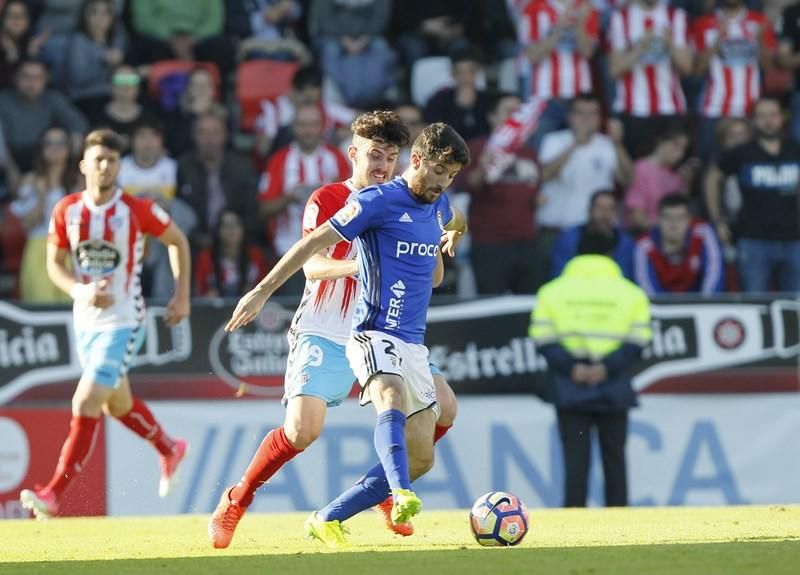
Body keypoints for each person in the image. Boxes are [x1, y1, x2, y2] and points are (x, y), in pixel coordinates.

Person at [208, 111, 460, 548]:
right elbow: (313, 265)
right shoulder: (328, 199)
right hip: (326, 328)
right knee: (301, 431)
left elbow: (444, 242)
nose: (382, 165)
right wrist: (364, 266)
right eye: (374, 155)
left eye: (391, 157)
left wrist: (446, 239)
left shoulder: (418, 202)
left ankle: (381, 489)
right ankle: (237, 498)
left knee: (448, 409)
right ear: (353, 154)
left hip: (386, 331)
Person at [18, 129, 192, 519]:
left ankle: (53, 494)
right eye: (97, 159)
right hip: (86, 320)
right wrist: (80, 292)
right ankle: (169, 448)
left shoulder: (135, 209)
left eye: (111, 160)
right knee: (118, 404)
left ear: (119, 166)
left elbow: (177, 240)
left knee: (86, 399)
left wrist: (181, 295)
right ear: (83, 164)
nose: (104, 166)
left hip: (125, 320)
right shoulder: (66, 210)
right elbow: (54, 265)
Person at [530, 229, 652, 508]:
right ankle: (620, 519)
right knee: (615, 460)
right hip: (614, 384)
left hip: (569, 384)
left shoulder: (552, 292)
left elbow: (543, 339)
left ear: (577, 252)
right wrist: (606, 369)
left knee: (575, 462)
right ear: (611, 254)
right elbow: (638, 341)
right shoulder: (631, 294)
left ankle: (574, 519)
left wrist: (573, 368)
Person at [704, 96, 800, 293]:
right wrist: (717, 219)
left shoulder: (795, 150)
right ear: (754, 121)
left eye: (773, 115)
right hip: (754, 240)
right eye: (762, 116)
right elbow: (712, 177)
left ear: (782, 118)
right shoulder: (743, 152)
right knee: (756, 303)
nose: (768, 121)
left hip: (794, 239)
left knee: (796, 305)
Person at [457, 92, 541, 294]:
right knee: (490, 307)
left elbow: (534, 191)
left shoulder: (530, 153)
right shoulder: (477, 148)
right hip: (490, 243)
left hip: (527, 242)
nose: (514, 118)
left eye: (518, 113)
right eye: (508, 112)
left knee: (526, 308)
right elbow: (465, 185)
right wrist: (482, 167)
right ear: (492, 117)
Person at [693, 0, 775, 162]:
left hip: (751, 110)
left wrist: (759, 39)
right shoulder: (704, 22)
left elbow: (769, 66)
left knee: (749, 167)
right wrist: (717, 40)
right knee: (711, 165)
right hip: (714, 109)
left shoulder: (759, 21)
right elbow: (697, 70)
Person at [608, 0, 692, 159]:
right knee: (636, 176)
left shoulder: (676, 16)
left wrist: (670, 43)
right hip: (633, 110)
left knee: (672, 177)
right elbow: (614, 70)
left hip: (670, 108)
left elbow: (687, 68)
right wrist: (640, 46)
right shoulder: (620, 18)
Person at [10, 126, 80, 303]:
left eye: (60, 143)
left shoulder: (80, 180)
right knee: (41, 304)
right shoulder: (30, 180)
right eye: (49, 143)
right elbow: (27, 225)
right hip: (39, 248)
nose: (55, 148)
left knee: (74, 307)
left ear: (69, 147)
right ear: (41, 148)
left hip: (74, 250)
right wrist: (41, 197)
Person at [0, 59, 88, 172]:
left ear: (45, 80)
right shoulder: (3, 101)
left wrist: (71, 165)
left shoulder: (53, 99)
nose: (31, 82)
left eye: (38, 77)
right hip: (10, 160)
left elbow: (78, 125)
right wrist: (11, 172)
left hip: (46, 159)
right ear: (15, 78)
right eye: (25, 76)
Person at [633, 193, 724, 296]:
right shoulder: (645, 246)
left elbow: (714, 274)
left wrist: (704, 305)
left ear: (688, 219)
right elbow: (646, 289)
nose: (674, 224)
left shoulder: (702, 233)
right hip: (662, 308)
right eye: (668, 218)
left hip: (698, 305)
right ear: (659, 220)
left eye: (680, 218)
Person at [551, 189, 635, 280]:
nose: (605, 213)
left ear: (616, 213)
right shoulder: (569, 238)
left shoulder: (625, 243)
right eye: (600, 207)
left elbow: (626, 277)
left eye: (610, 208)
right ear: (589, 210)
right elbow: (558, 275)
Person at [624, 127, 693, 234]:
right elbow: (637, 218)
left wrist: (686, 184)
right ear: (661, 141)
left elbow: (679, 210)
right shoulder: (641, 168)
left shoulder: (675, 177)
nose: (679, 153)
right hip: (641, 236)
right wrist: (668, 225)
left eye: (683, 149)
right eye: (675, 145)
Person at [194, 209, 269, 298]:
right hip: (215, 309)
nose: (231, 230)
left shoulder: (256, 255)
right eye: (226, 225)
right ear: (218, 230)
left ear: (243, 229)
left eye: (236, 225)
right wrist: (207, 297)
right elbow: (198, 294)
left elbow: (267, 289)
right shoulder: (205, 257)